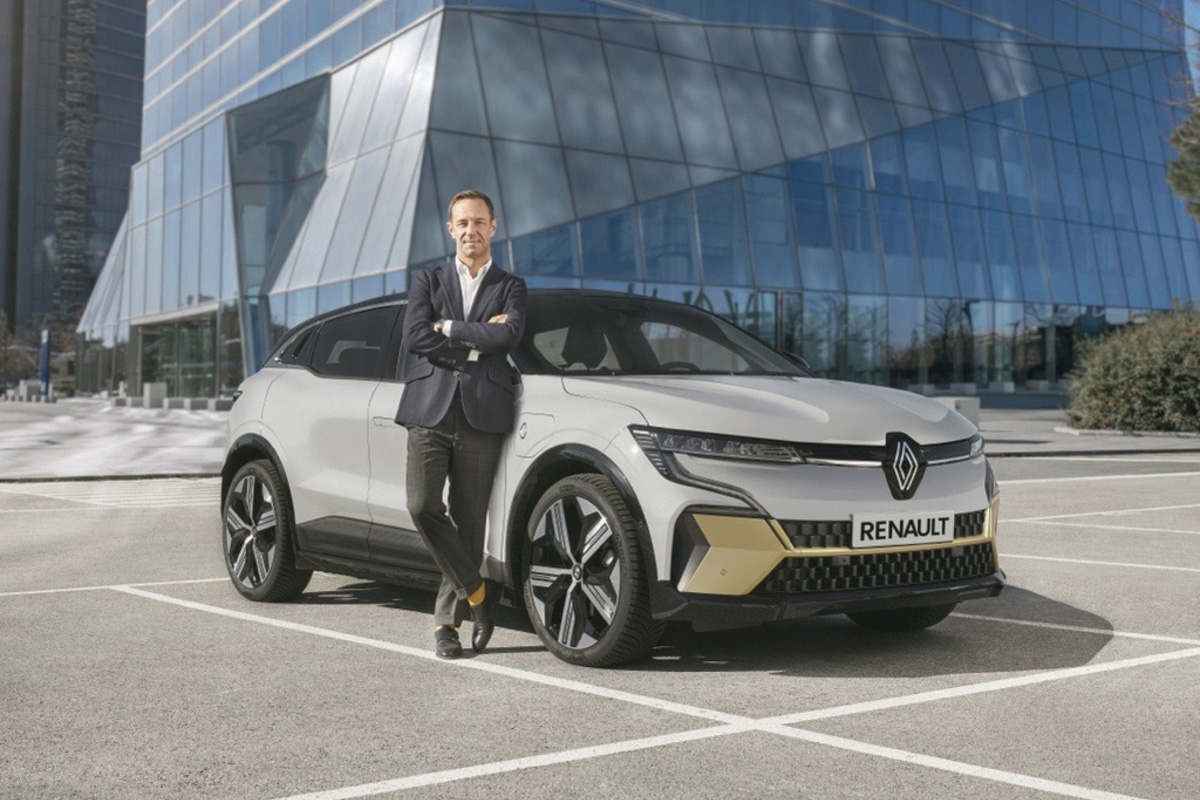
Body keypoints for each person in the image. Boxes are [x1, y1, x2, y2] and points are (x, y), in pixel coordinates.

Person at [395, 189, 527, 660]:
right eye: (462, 223)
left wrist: (447, 328)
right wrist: (478, 341)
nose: (471, 230)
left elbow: (508, 335)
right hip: (430, 407)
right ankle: (478, 592)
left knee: (471, 524)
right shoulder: (427, 281)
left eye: (479, 222)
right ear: (450, 230)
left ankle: (446, 625)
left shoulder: (511, 286)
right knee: (421, 504)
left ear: (494, 227)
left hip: (481, 413)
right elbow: (414, 337)